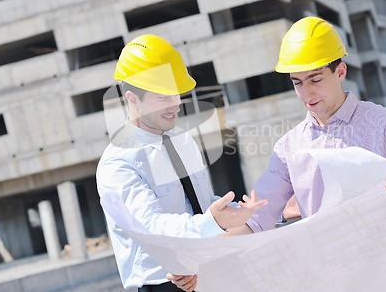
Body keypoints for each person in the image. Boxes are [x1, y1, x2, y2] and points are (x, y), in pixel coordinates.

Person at [169, 17, 386, 291]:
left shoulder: (385, 123)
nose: (306, 93)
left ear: (340, 71)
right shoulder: (289, 148)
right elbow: (255, 221)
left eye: (315, 79)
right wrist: (198, 262)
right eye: (297, 82)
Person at [96, 34, 266, 292]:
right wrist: (214, 222)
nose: (175, 105)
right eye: (163, 98)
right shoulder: (118, 163)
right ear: (133, 99)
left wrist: (236, 211)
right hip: (162, 285)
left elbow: (201, 205)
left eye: (176, 95)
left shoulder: (182, 141)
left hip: (207, 272)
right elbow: (153, 228)